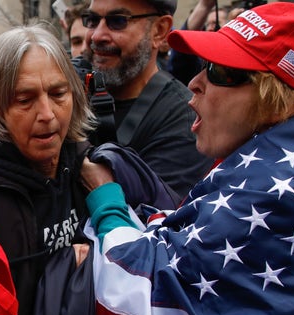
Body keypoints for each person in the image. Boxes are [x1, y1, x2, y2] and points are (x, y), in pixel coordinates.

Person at [81, 3, 294, 315]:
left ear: (276, 97)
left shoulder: (273, 190)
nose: (194, 83)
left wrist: (106, 197)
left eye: (220, 71)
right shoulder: (287, 164)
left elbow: (137, 291)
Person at [0, 24, 96, 315]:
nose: (47, 114)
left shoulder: (88, 167)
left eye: (58, 93)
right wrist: (65, 265)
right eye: (25, 100)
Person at [82, 0, 214, 199]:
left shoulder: (185, 119)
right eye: (92, 20)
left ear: (159, 31)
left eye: (117, 21)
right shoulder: (68, 94)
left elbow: (149, 218)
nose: (97, 35)